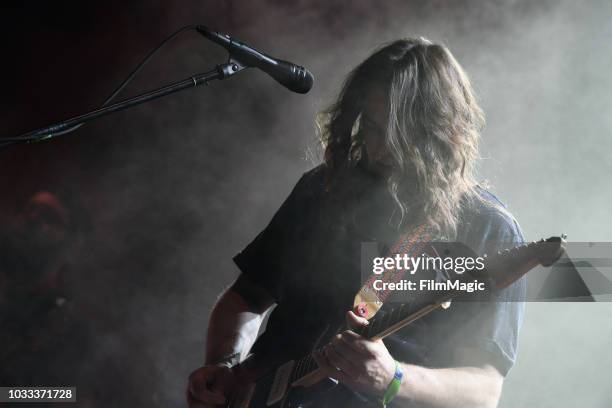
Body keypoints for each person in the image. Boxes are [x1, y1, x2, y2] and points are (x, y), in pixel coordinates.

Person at [187, 38, 525, 408]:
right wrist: (223, 365)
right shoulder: (323, 188)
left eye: (396, 135)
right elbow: (245, 299)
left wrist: (393, 378)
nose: (378, 147)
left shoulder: (485, 228)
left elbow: (484, 389)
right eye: (372, 127)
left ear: (439, 132)